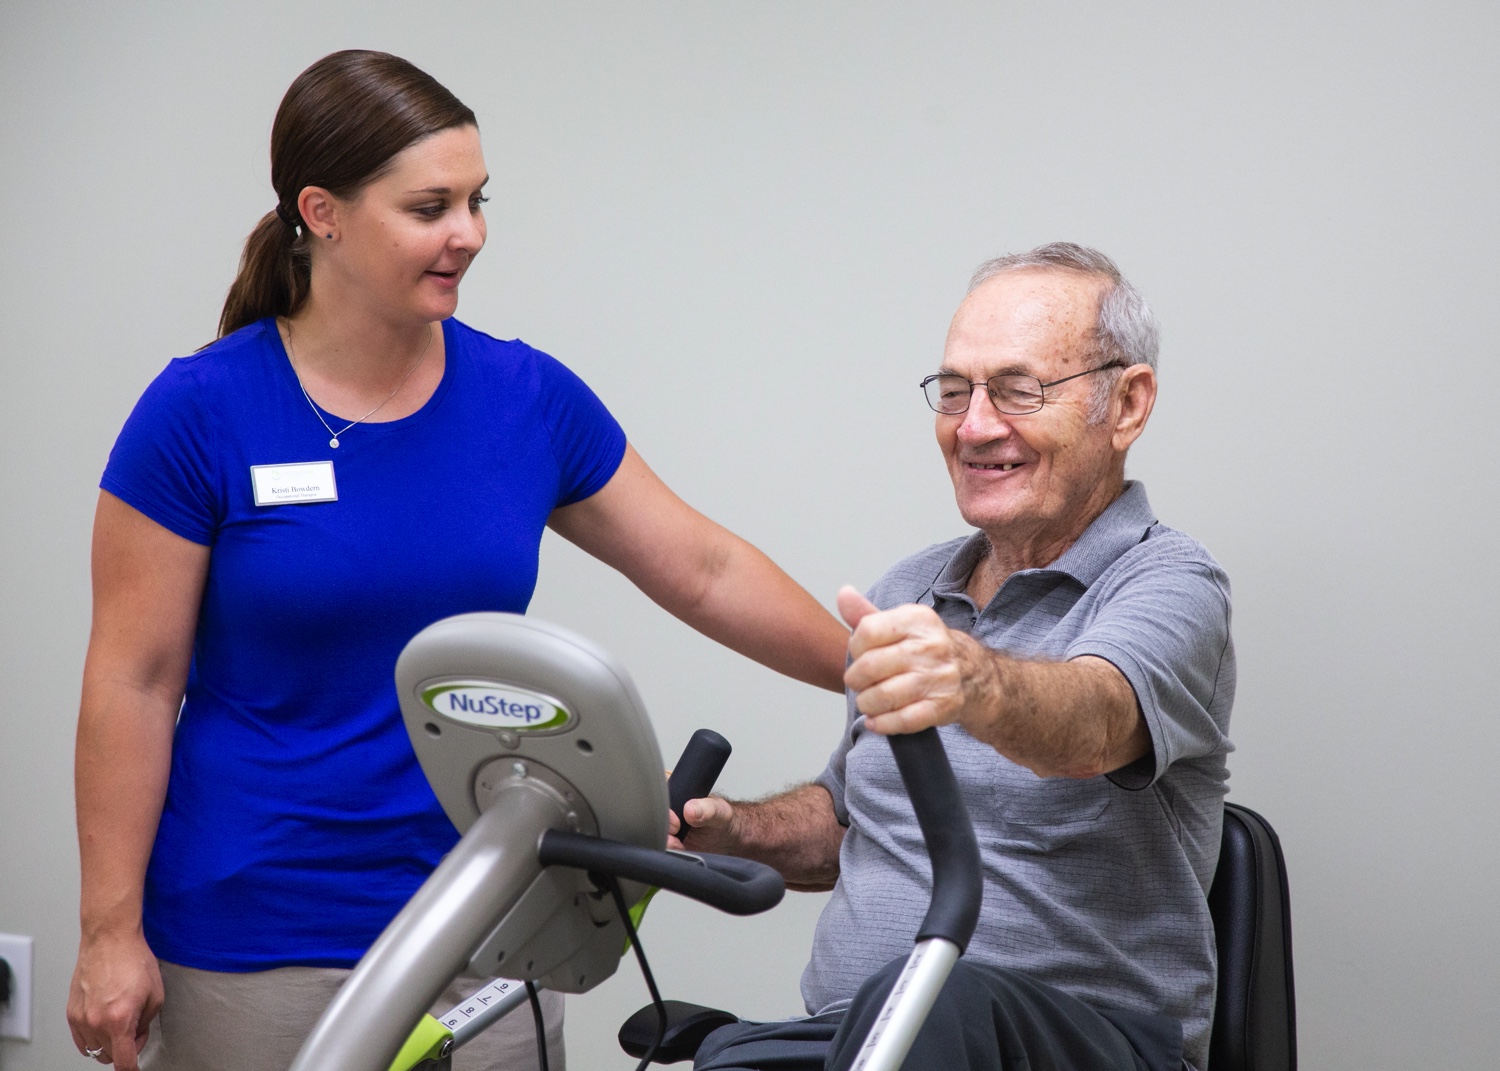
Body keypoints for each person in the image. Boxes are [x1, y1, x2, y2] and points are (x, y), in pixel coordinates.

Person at [66, 50, 849, 1071]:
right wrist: (107, 933)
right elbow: (134, 680)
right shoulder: (201, 413)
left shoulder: (523, 399)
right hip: (256, 934)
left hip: (491, 917)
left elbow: (701, 567)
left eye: (479, 201)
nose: (468, 234)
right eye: (430, 206)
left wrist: (875, 675)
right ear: (323, 212)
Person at [673, 243, 1235, 1071]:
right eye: (956, 391)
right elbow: (852, 823)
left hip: (1086, 1043)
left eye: (1017, 389)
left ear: (1127, 404)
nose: (973, 426)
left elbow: (1094, 720)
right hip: (861, 1037)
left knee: (940, 998)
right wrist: (735, 830)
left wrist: (976, 680)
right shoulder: (912, 587)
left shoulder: (1172, 583)